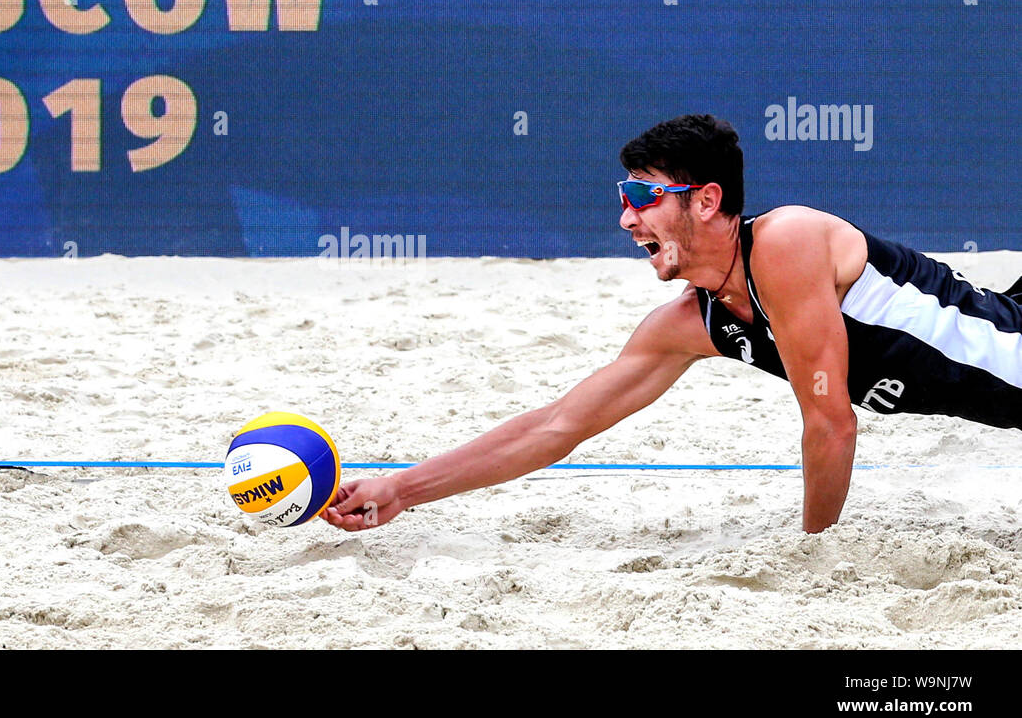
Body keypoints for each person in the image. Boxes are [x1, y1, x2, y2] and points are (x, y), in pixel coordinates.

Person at [322, 114, 1022, 535]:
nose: (627, 217)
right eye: (624, 197)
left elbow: (832, 423)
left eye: (643, 196)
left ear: (709, 200)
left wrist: (815, 547)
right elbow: (556, 427)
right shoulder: (693, 321)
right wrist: (403, 488)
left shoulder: (787, 243)